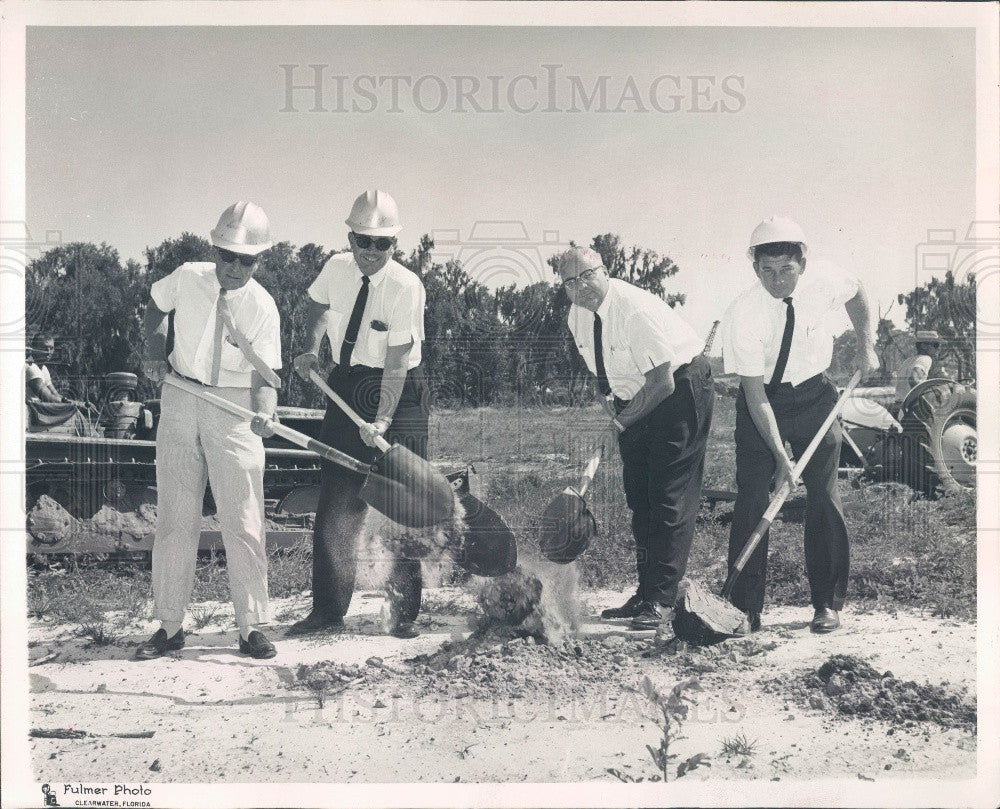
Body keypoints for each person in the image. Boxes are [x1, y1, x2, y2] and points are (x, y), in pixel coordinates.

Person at [136, 201, 282, 660]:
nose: (234, 267)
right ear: (214, 250)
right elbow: (156, 310)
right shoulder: (186, 276)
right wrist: (155, 352)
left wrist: (264, 413)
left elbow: (266, 377)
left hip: (233, 406)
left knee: (243, 520)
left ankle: (251, 627)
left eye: (246, 259)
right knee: (176, 518)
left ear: (259, 260)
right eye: (227, 255)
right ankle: (169, 626)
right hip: (180, 396)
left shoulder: (263, 306)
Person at [720, 216, 878, 634]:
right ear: (755, 268)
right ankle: (743, 607)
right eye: (766, 271)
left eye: (786, 270)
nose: (777, 281)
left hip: (816, 397)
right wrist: (779, 458)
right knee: (754, 496)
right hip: (764, 401)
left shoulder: (825, 279)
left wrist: (867, 346)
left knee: (823, 495)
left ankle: (827, 603)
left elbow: (859, 293)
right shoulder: (743, 314)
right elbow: (755, 397)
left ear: (802, 263)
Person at [289, 190, 430, 639]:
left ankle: (402, 614)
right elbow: (316, 306)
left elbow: (396, 362)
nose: (370, 252)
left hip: (399, 392)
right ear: (349, 237)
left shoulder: (406, 287)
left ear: (395, 245)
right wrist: (311, 350)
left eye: (381, 244)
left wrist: (383, 421)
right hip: (345, 381)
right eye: (362, 241)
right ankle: (327, 611)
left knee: (399, 501)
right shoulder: (334, 267)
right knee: (337, 501)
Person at [559, 246, 714, 631]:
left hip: (679, 389)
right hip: (636, 399)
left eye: (587, 275)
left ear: (605, 270)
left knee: (668, 498)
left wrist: (620, 425)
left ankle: (661, 601)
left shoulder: (633, 310)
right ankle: (647, 593)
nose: (581, 287)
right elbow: (601, 373)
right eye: (570, 281)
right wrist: (611, 410)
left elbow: (661, 382)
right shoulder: (577, 317)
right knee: (639, 497)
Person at [894, 330, 949, 403]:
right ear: (923, 346)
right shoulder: (925, 358)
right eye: (936, 345)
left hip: (899, 403)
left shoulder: (908, 361)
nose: (938, 348)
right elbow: (913, 379)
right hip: (911, 405)